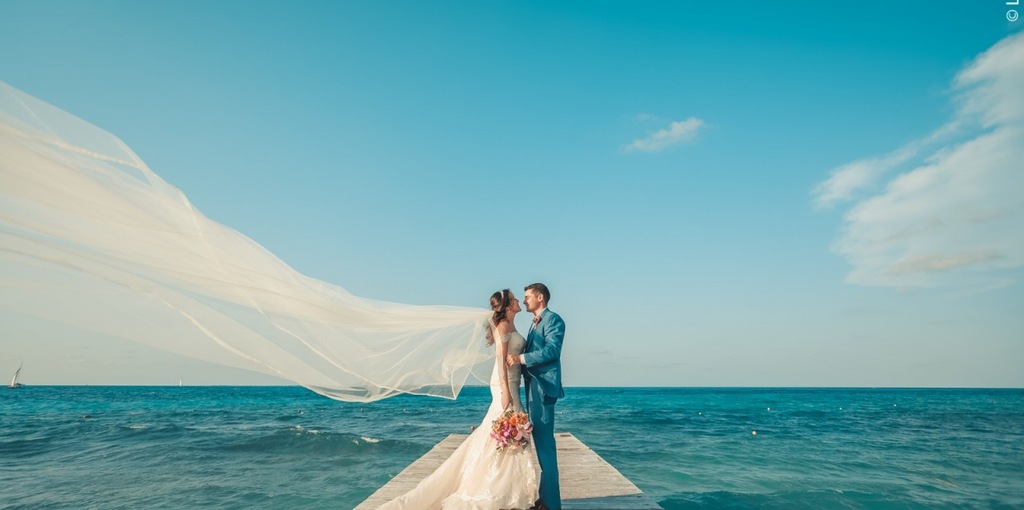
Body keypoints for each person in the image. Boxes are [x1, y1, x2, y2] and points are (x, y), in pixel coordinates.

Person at [378, 289, 538, 509]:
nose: (519, 300)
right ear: (508, 305)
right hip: (504, 384)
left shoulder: (511, 324)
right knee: (505, 430)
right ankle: (494, 490)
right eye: (514, 299)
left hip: (512, 383)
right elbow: (500, 359)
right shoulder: (502, 326)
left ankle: (507, 489)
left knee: (499, 432)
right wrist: (505, 391)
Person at [506, 283, 564, 510]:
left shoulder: (553, 319)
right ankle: (545, 499)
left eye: (528, 296)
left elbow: (552, 351)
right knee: (542, 445)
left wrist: (520, 360)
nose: (525, 300)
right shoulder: (535, 322)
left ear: (540, 297)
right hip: (533, 389)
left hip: (543, 389)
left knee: (545, 446)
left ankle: (551, 504)